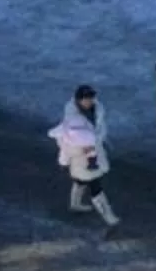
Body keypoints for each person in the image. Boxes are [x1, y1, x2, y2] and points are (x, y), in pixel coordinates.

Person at [49, 84, 119, 236]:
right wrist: (64, 161)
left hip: (94, 153)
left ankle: (75, 204)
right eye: (86, 99)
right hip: (81, 158)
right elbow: (64, 143)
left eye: (91, 98)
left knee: (81, 181)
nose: (89, 101)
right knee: (95, 185)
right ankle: (109, 217)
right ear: (78, 100)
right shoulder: (72, 120)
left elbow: (101, 128)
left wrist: (100, 140)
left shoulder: (97, 110)